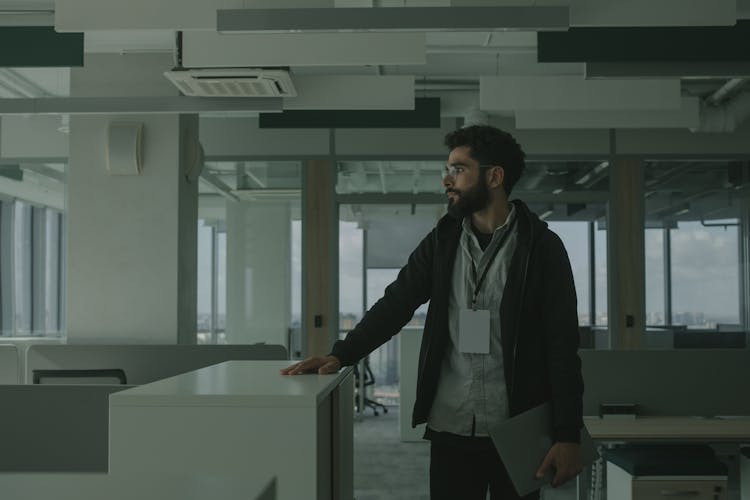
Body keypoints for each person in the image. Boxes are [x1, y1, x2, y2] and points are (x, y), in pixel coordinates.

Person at [281, 125, 584, 500]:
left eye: (458, 169)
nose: (447, 179)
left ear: (494, 176)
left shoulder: (542, 248)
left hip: (516, 427)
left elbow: (562, 345)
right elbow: (395, 304)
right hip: (452, 424)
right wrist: (340, 354)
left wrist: (567, 434)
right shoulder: (442, 242)